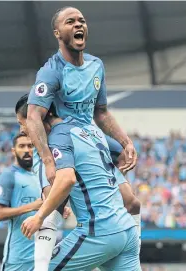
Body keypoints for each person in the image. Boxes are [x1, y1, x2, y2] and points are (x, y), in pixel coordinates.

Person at [21, 105, 141, 270]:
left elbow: (65, 182)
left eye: (24, 123)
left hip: (98, 230)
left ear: (40, 117)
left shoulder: (57, 138)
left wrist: (39, 217)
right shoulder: (90, 131)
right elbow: (132, 201)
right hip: (127, 229)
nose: (22, 130)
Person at [26, 6, 137, 184]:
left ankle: (105, 197)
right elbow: (33, 117)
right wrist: (47, 160)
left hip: (88, 134)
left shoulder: (96, 65)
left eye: (81, 21)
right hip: (63, 140)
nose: (78, 25)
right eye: (70, 22)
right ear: (57, 33)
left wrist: (126, 142)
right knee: (63, 192)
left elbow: (101, 112)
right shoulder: (51, 71)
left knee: (131, 197)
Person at [0, 133, 65, 271]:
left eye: (30, 146)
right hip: (18, 260)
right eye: (22, 146)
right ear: (14, 151)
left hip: (42, 255)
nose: (27, 150)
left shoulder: (40, 175)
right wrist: (32, 206)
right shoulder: (8, 175)